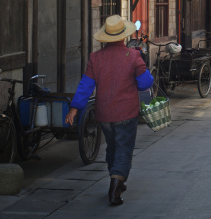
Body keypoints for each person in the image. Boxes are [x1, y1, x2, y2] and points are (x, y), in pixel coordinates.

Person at [65, 15, 153, 206]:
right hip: (126, 113)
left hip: (104, 114)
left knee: (112, 146)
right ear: (123, 37)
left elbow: (85, 86)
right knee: (124, 149)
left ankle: (117, 180)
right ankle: (116, 186)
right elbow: (146, 83)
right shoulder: (133, 56)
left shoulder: (95, 58)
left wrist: (74, 109)